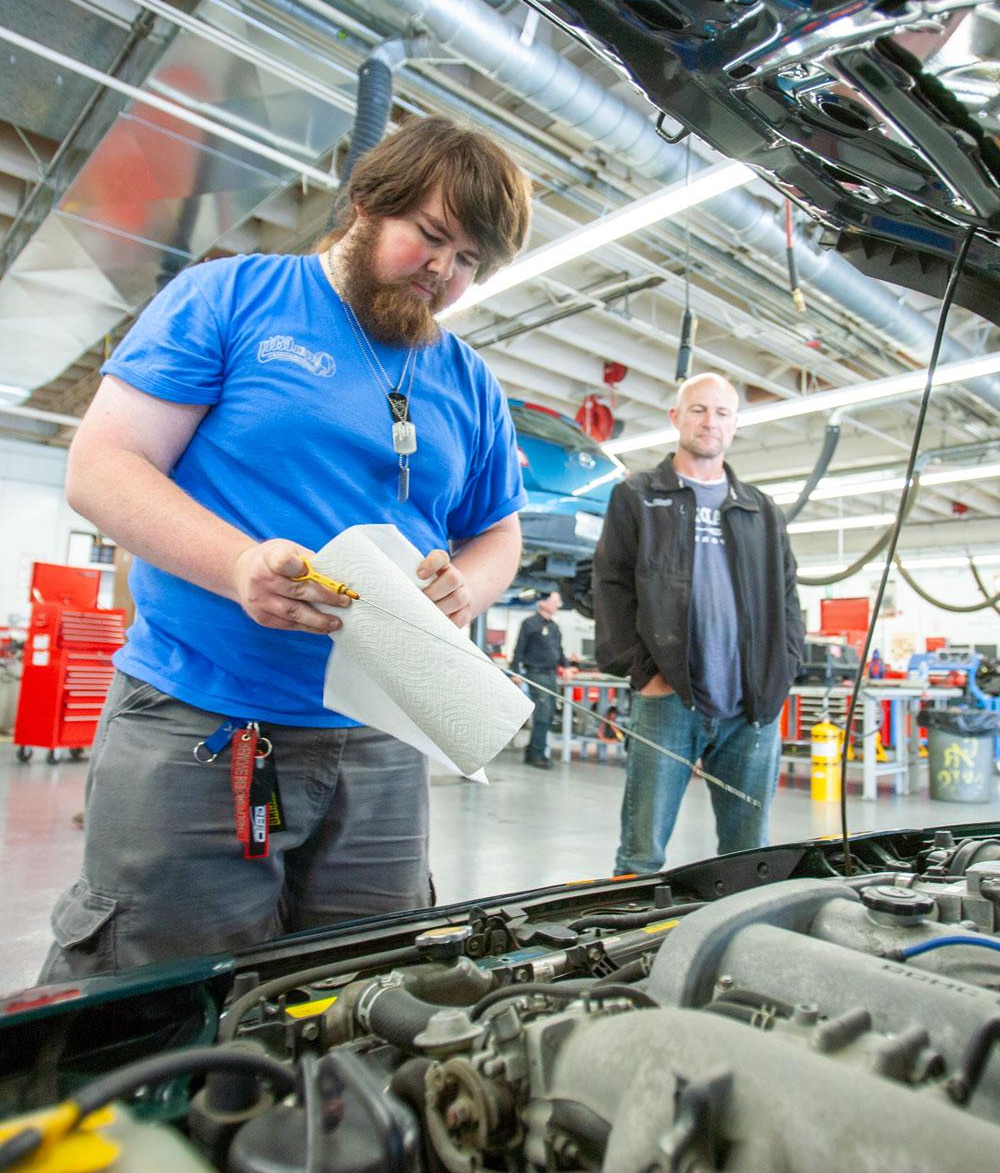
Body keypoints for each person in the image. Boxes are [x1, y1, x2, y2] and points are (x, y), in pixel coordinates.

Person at [40, 116, 533, 980]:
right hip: (201, 725)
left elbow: (497, 530)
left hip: (382, 741)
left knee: (359, 1003)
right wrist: (237, 567)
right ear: (366, 203)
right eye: (431, 237)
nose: (444, 273)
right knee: (158, 1007)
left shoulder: (468, 382)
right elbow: (104, 466)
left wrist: (470, 588)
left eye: (469, 263)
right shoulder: (231, 297)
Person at [593, 372, 804, 874]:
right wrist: (643, 672)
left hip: (752, 708)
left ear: (734, 425)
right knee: (641, 853)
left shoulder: (761, 510)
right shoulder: (639, 496)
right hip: (669, 702)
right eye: (698, 410)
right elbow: (611, 584)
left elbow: (789, 597)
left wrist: (782, 671)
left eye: (722, 412)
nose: (710, 421)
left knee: (750, 856)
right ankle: (633, 940)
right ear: (676, 418)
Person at [510, 592, 572, 768]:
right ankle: (538, 755)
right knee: (543, 714)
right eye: (555, 601)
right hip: (536, 673)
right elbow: (519, 650)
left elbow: (559, 650)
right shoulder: (529, 623)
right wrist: (515, 672)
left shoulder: (554, 627)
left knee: (549, 714)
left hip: (551, 674)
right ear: (542, 602)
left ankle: (532, 752)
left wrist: (566, 666)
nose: (558, 605)